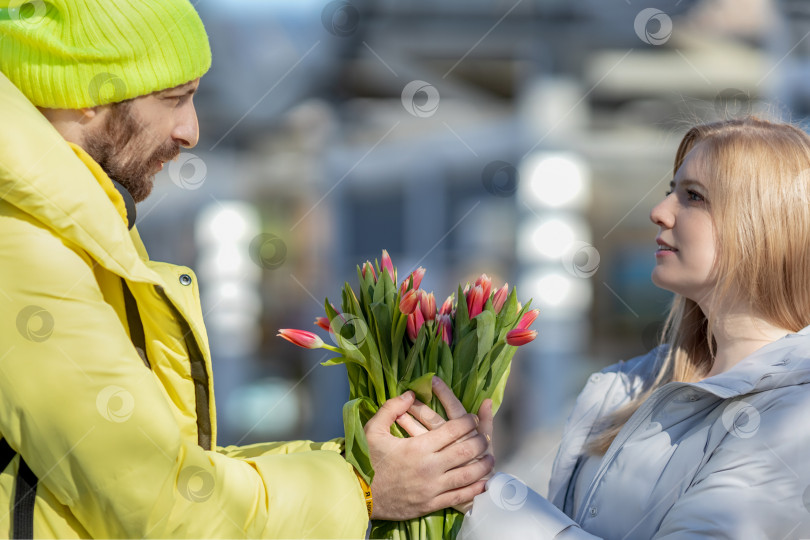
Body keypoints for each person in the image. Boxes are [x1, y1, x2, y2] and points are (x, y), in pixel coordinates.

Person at [0, 0, 493, 537]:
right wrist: (365, 488)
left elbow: (176, 468)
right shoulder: (23, 248)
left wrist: (377, 460)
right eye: (173, 99)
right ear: (87, 96)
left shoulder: (63, 224)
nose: (190, 131)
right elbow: (165, 507)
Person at [453, 117, 810, 538]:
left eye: (693, 196)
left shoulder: (795, 416)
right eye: (670, 192)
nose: (659, 213)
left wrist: (481, 492)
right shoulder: (621, 388)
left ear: (764, 225)